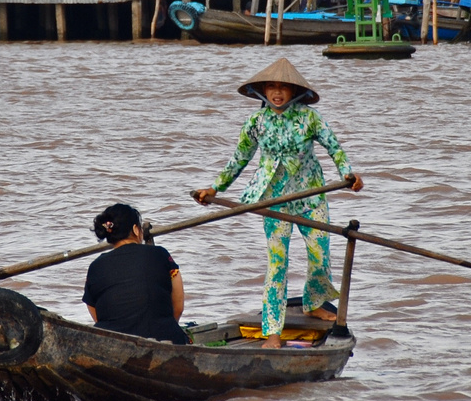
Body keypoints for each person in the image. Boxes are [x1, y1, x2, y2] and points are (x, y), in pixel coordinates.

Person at [195, 58, 362, 348]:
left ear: (293, 92)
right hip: (273, 201)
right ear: (262, 91)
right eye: (271, 87)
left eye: (283, 87)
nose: (277, 93)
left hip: (310, 196)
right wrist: (214, 187)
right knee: (277, 265)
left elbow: (335, 148)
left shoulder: (310, 118)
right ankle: (273, 332)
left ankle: (313, 302)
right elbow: (239, 159)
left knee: (320, 256)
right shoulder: (256, 122)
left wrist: (348, 174)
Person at [82, 203, 190, 345]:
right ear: (135, 229)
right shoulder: (160, 254)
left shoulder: (95, 266)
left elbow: (95, 313)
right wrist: (166, 326)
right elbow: (178, 306)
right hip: (165, 337)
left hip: (112, 344)